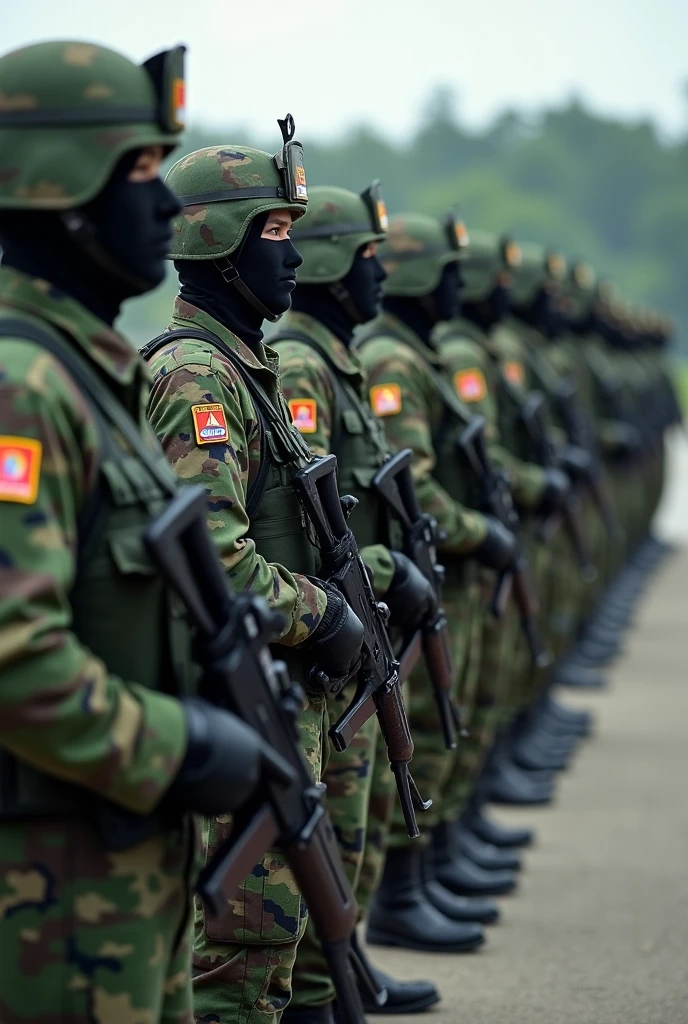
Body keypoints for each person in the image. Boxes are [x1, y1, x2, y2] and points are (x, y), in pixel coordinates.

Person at [0, 39, 277, 1023]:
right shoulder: (22, 386)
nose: (168, 211)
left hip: (114, 880)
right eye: (145, 172)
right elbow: (13, 654)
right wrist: (181, 741)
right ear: (60, 190)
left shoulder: (87, 370)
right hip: (46, 905)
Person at [143, 129, 366, 1024]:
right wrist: (325, 613)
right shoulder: (199, 377)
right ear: (218, 244)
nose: (294, 255)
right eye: (274, 230)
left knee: (275, 951)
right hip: (241, 705)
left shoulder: (246, 369)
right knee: (240, 956)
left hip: (277, 701)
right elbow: (219, 562)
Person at [274, 182, 474, 1014]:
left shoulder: (337, 358)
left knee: (354, 810)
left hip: (353, 612)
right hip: (320, 627)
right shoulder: (298, 364)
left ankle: (346, 962)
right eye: (367, 259)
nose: (380, 279)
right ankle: (333, 975)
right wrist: (386, 575)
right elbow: (311, 516)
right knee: (329, 815)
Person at [356, 212, 521, 951]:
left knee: (450, 713)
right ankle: (404, 889)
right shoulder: (391, 360)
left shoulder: (405, 353)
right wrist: (479, 533)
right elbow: (413, 481)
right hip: (385, 589)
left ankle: (428, 866)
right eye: (448, 269)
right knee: (414, 731)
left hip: (411, 577)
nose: (461, 284)